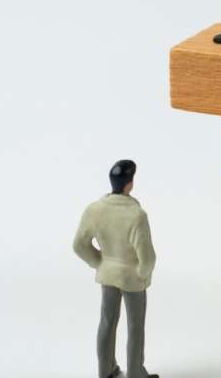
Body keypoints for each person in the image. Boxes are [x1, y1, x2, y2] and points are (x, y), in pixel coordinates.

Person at [74, 160, 158, 378]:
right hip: (132, 278)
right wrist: (143, 275)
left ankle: (106, 370)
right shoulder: (136, 215)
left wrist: (99, 262)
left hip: (108, 274)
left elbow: (79, 245)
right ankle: (135, 372)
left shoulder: (94, 210)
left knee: (107, 322)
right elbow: (147, 257)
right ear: (129, 184)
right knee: (135, 327)